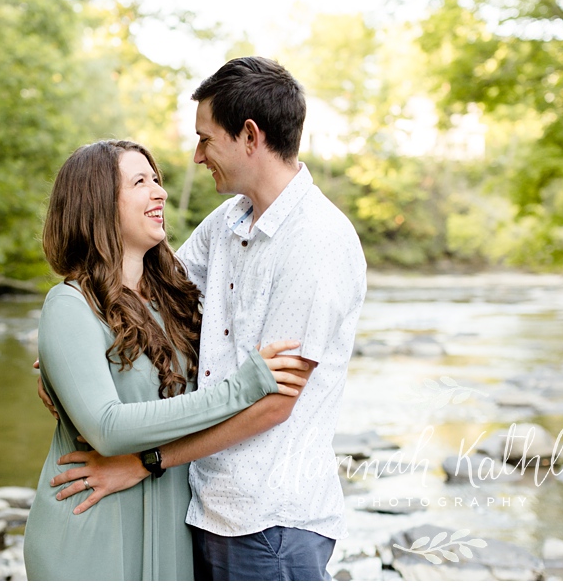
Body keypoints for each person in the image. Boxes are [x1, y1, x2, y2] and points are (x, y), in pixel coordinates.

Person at [38, 58, 367, 581]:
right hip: (204, 510)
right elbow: (144, 291)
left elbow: (274, 403)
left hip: (270, 523)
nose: (196, 156)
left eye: (206, 139)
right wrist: (60, 356)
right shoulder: (228, 222)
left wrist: (146, 462)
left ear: (250, 136)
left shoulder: (317, 243)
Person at [21, 139, 313, 580]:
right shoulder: (69, 305)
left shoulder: (173, 301)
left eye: (156, 179)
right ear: (96, 204)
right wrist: (243, 387)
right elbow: (108, 428)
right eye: (141, 182)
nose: (160, 192)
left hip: (171, 528)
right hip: (92, 526)